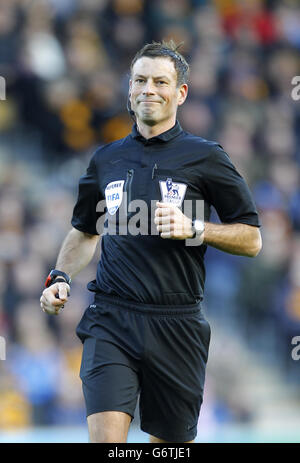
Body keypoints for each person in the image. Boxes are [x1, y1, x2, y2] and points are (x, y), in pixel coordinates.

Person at [40, 41, 262, 443]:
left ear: (181, 93)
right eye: (140, 80)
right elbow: (84, 230)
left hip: (177, 324)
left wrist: (195, 228)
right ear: (129, 88)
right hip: (112, 318)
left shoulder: (207, 158)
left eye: (161, 82)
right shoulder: (105, 159)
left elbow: (252, 239)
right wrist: (59, 276)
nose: (149, 90)